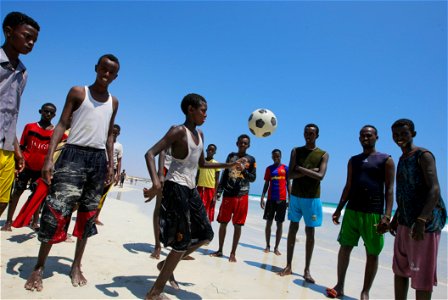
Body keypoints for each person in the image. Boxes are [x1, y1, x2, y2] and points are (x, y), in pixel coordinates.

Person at [24, 54, 120, 292]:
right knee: (57, 210)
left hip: (97, 160)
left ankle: (76, 265)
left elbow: (109, 134)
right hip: (73, 155)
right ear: (96, 68)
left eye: (111, 72)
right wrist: (49, 158)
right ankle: (39, 266)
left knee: (87, 214)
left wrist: (109, 164)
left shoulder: (114, 102)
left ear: (116, 76)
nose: (106, 74)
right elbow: (62, 123)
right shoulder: (78, 92)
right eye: (103, 69)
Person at [142, 93, 242, 299]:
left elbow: (203, 164)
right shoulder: (178, 131)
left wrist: (229, 165)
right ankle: (154, 292)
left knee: (206, 234)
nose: (206, 115)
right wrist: (156, 182)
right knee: (181, 242)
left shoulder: (201, 135)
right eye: (203, 110)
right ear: (191, 110)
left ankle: (166, 264)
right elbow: (150, 153)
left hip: (190, 189)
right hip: (174, 188)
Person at [326, 125, 395, 299]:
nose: (365, 138)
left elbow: (389, 190)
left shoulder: (386, 160)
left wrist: (387, 216)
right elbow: (348, 186)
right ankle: (340, 285)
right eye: (362, 135)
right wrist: (338, 209)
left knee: (372, 253)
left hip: (374, 213)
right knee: (345, 247)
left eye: (369, 135)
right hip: (352, 211)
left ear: (376, 137)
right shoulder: (353, 160)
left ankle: (365, 292)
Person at [389, 119, 446, 300]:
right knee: (400, 270)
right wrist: (396, 217)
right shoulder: (402, 158)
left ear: (413, 134)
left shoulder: (423, 155)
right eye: (396, 135)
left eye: (404, 134)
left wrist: (421, 220)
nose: (399, 138)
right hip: (405, 222)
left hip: (424, 225)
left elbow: (434, 189)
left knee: (421, 278)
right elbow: (406, 192)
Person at [0, 12, 39, 221]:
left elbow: (11, 114)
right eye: (27, 36)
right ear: (8, 32)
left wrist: (17, 150)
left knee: (3, 200)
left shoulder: (23, 73)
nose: (31, 43)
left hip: (6, 146)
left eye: (34, 40)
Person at [278, 123, 329, 284]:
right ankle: (288, 265)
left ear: (317, 136)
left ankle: (307, 270)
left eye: (312, 133)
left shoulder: (323, 154)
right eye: (306, 133)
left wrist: (301, 169)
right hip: (296, 196)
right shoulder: (296, 151)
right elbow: (290, 176)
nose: (308, 135)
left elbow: (320, 176)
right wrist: (311, 171)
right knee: (292, 229)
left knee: (310, 233)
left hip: (312, 197)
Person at [1, 103, 60, 232]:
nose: (48, 114)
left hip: (42, 170)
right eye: (46, 111)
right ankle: (9, 222)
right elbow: (22, 146)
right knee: (17, 193)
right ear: (40, 111)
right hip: (26, 166)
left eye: (51, 113)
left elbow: (62, 146)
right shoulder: (30, 127)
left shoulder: (56, 132)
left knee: (37, 196)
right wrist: (18, 163)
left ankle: (34, 222)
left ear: (55, 115)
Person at [210, 134, 256, 262]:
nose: (243, 145)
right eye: (241, 142)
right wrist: (218, 191)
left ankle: (233, 253)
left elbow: (253, 178)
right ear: (237, 143)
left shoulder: (251, 160)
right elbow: (225, 174)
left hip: (242, 195)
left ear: (248, 145)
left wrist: (244, 171)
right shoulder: (231, 156)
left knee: (237, 225)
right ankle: (220, 250)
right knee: (223, 223)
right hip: (228, 194)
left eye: (245, 143)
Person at [260, 148, 289, 255]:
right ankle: (267, 246)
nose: (276, 158)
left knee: (279, 224)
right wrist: (262, 196)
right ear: (272, 157)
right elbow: (266, 183)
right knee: (268, 223)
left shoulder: (285, 168)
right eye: (274, 156)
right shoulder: (269, 169)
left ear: (281, 156)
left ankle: (276, 248)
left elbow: (288, 184)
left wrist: (289, 198)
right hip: (271, 199)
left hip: (282, 200)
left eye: (278, 156)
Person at [94, 124, 123, 225]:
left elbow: (119, 161)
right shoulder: (103, 141)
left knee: (103, 194)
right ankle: (89, 214)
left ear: (119, 134)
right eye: (112, 132)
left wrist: (118, 174)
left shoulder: (119, 146)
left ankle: (96, 217)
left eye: (116, 133)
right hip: (100, 168)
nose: (114, 134)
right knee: (94, 192)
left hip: (111, 171)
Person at [196, 144, 221, 222]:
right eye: (209, 149)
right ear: (206, 150)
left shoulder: (216, 163)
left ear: (215, 152)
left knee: (208, 213)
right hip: (200, 188)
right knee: (197, 210)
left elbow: (217, 180)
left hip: (210, 190)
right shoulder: (201, 162)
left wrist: (215, 195)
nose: (210, 151)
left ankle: (207, 231)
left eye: (212, 150)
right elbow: (197, 176)